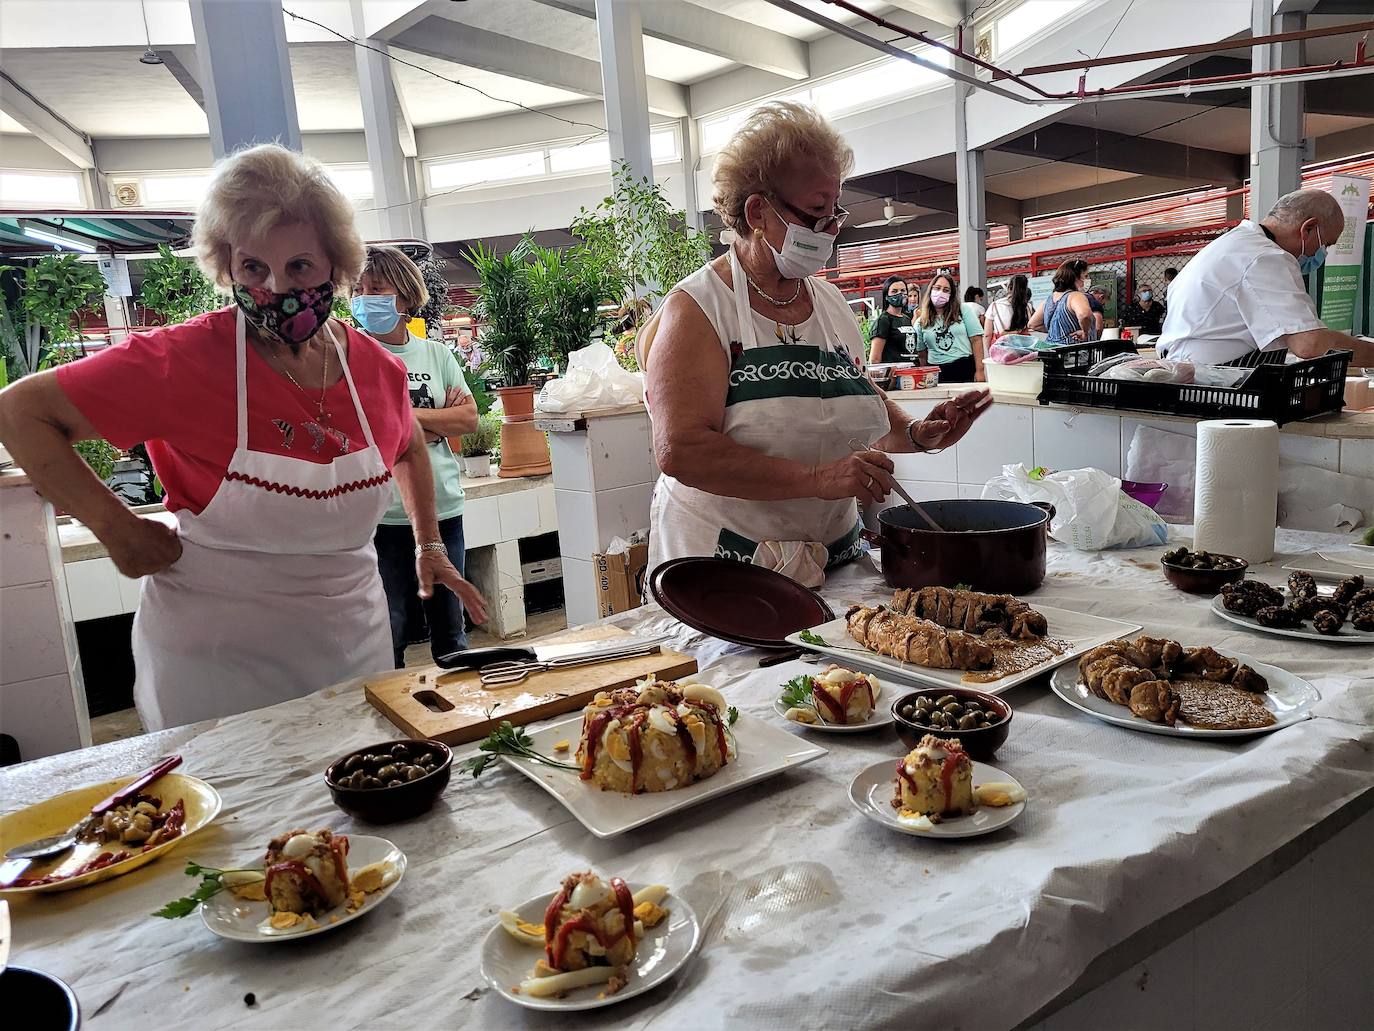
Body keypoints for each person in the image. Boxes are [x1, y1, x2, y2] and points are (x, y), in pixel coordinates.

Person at [0, 144, 486, 732]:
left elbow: (407, 444)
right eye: (254, 268)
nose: (277, 287)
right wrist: (117, 528)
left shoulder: (374, 369)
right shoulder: (181, 361)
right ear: (227, 265)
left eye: (300, 267)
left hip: (350, 643)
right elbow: (19, 412)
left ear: (336, 263)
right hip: (216, 664)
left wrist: (429, 544)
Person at [642, 102, 989, 582]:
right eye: (815, 212)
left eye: (836, 212)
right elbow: (682, 450)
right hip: (728, 567)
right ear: (757, 211)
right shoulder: (698, 310)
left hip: (833, 561)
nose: (830, 230)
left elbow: (849, 405)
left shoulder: (829, 303)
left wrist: (914, 434)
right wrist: (816, 481)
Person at [353, 245, 478, 668]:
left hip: (443, 510)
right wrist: (436, 418)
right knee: (388, 630)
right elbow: (363, 426)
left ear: (404, 296)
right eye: (358, 288)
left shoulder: (436, 355)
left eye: (376, 288)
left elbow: (468, 419)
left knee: (451, 627)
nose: (364, 297)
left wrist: (400, 417)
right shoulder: (350, 358)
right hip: (380, 518)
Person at [1157, 189, 1374, 366]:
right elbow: (1310, 344)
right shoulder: (1266, 257)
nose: (1321, 253)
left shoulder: (1236, 244)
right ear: (1308, 228)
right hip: (1212, 381)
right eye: (1325, 243)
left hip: (1191, 369)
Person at [912, 272, 986, 382]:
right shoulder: (920, 322)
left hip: (964, 367)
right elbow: (922, 354)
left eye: (946, 290)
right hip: (936, 372)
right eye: (937, 288)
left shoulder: (963, 310)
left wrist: (980, 371)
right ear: (930, 290)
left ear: (951, 294)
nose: (940, 293)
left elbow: (976, 340)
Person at [1029, 259, 1098, 344]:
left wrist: (1056, 331)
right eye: (1086, 276)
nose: (1087, 279)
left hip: (1053, 351)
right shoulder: (1076, 296)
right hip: (1075, 352)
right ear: (1076, 277)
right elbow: (1084, 315)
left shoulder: (1048, 300)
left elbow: (1033, 324)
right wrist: (1085, 332)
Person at [867, 275, 916, 364]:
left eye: (903, 291)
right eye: (894, 291)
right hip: (894, 375)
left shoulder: (907, 319)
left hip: (911, 373)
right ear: (886, 296)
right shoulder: (883, 320)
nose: (900, 294)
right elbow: (874, 359)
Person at [984, 274, 1034, 342]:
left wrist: (987, 351)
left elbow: (987, 334)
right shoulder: (1028, 306)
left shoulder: (995, 305)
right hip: (1023, 347)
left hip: (1002, 348)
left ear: (1009, 288)